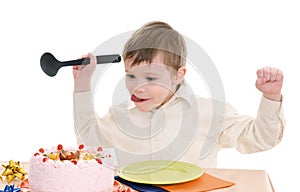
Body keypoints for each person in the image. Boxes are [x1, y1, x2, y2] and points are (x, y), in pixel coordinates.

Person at [72, 21, 285, 168]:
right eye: (131, 76)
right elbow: (90, 144)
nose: (138, 87)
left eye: (151, 78)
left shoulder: (209, 112)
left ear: (178, 75)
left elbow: (261, 138)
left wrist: (271, 97)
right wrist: (82, 85)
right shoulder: (118, 116)